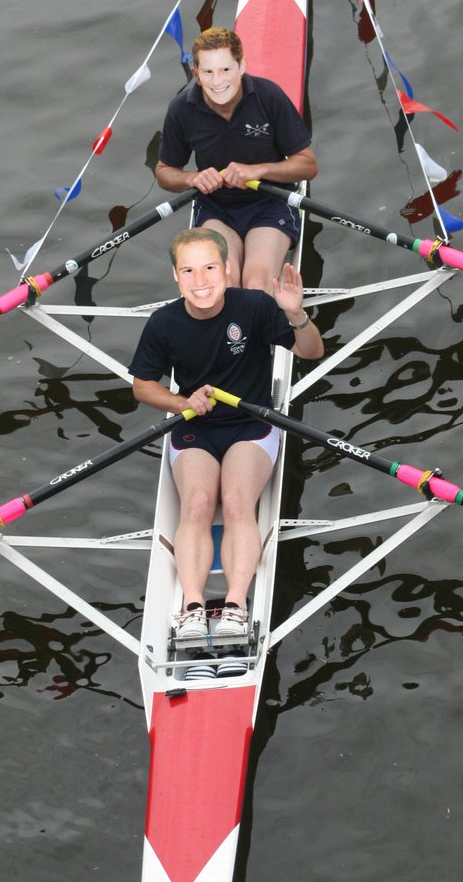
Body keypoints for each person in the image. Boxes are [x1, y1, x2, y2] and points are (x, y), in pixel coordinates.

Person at [129, 227, 324, 640]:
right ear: (175, 278)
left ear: (228, 268)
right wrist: (181, 403)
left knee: (236, 501)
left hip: (251, 424)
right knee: (198, 504)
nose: (201, 282)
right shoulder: (163, 323)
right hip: (195, 427)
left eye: (210, 268)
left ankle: (236, 605)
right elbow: (143, 386)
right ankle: (193, 607)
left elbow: (311, 351)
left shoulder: (253, 306)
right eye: (188, 271)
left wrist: (296, 314)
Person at [155, 26, 318, 293]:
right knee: (224, 286)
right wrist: (191, 178)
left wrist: (257, 170)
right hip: (216, 208)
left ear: (242, 67)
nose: (217, 81)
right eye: (208, 72)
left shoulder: (269, 97)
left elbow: (308, 165)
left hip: (270, 202)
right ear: (196, 74)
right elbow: (164, 172)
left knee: (255, 286)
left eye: (226, 70)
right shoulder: (181, 109)